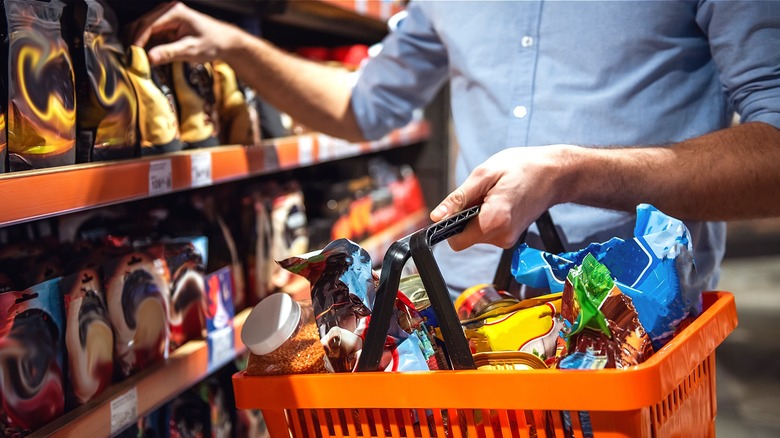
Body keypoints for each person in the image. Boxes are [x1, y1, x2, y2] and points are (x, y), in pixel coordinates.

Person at [130, 1, 780, 297]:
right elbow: (364, 106)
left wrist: (572, 173)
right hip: (471, 312)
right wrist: (237, 47)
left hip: (636, 313)